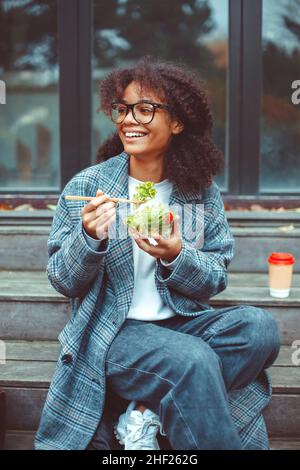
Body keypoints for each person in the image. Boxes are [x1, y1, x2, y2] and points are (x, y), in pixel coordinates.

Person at [35, 56, 280, 450]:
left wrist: (176, 254)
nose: (128, 120)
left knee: (260, 329)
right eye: (122, 109)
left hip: (182, 323)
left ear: (177, 122)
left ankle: (146, 412)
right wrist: (88, 237)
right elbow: (62, 279)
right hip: (114, 333)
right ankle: (167, 403)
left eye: (144, 109)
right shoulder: (91, 185)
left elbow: (216, 276)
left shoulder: (198, 191)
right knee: (192, 361)